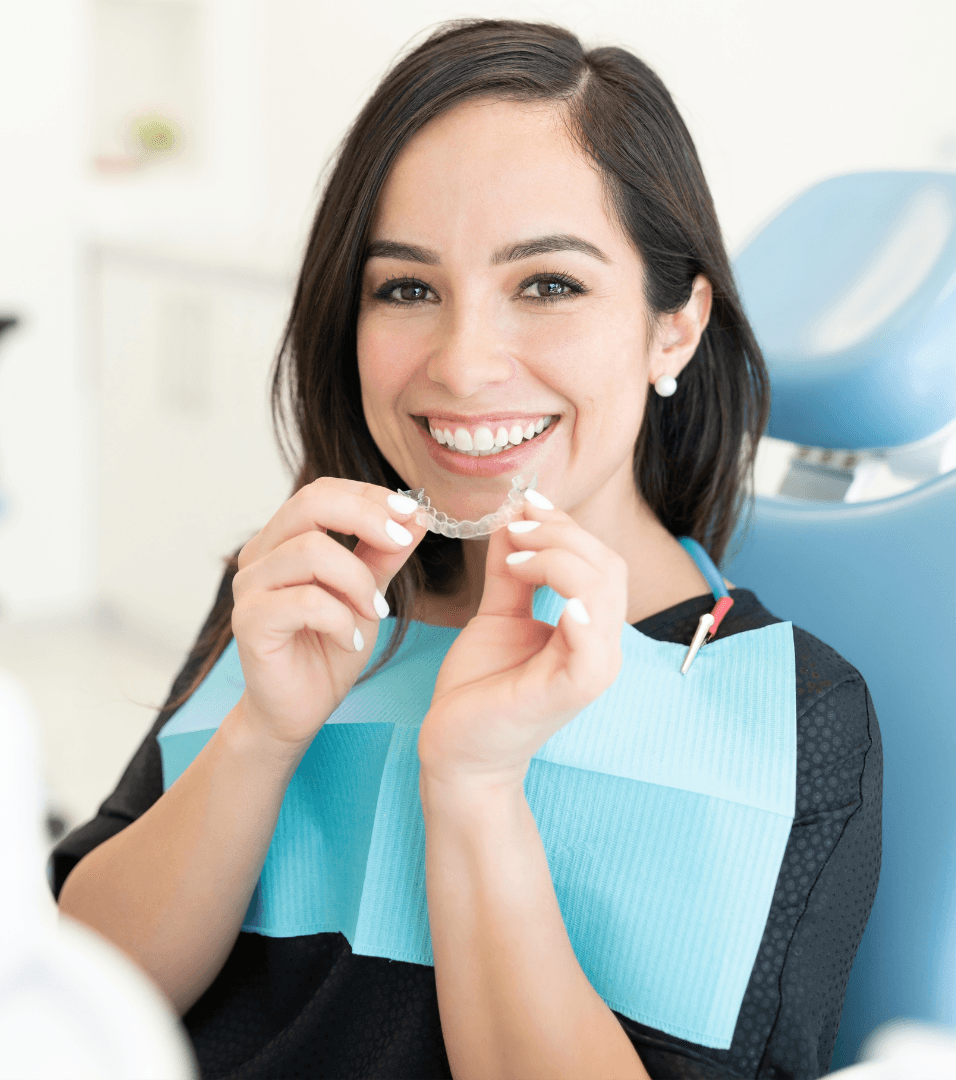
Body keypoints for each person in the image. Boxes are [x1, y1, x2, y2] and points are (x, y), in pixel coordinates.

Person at [52, 20, 881, 1080]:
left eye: (547, 285)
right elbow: (68, 997)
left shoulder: (790, 712)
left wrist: (476, 784)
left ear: (674, 327)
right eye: (406, 289)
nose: (464, 364)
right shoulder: (302, 593)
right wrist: (262, 733)